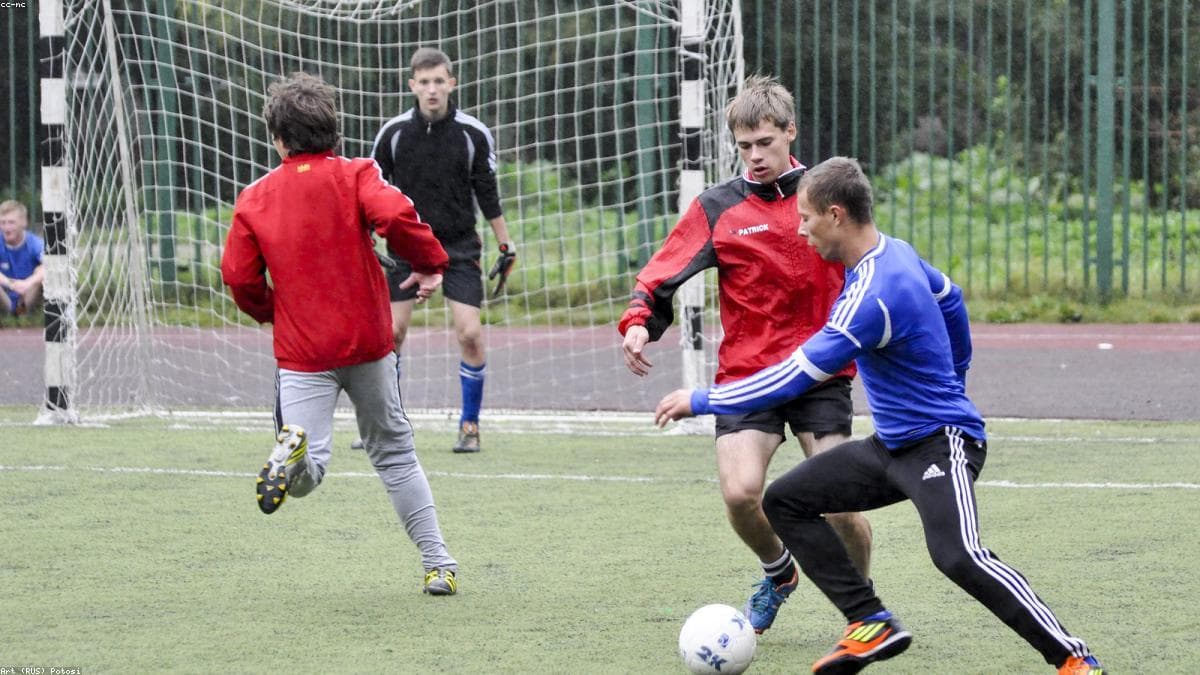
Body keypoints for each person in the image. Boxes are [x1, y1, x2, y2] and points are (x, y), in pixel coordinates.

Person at [655, 157, 1104, 674]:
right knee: (785, 501)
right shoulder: (898, 253)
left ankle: (1074, 660)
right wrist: (957, 370)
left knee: (959, 556)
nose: (799, 230)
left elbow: (793, 378)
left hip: (940, 441)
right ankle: (870, 621)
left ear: (836, 215)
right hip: (890, 446)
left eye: (806, 218)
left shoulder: (871, 295)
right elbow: (950, 298)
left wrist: (705, 399)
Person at [619, 76, 872, 634]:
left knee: (841, 507)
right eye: (745, 146)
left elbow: (872, 262)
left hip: (819, 372)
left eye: (765, 143)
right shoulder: (718, 208)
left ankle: (863, 613)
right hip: (748, 375)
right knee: (739, 494)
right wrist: (639, 323)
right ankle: (779, 572)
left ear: (790, 133)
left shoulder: (824, 197)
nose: (755, 157)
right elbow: (663, 273)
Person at [221, 72, 461, 596]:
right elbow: (396, 213)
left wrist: (271, 312)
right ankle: (437, 564)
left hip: (303, 353)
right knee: (395, 455)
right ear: (335, 131)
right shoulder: (356, 173)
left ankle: (293, 450)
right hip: (369, 343)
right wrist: (428, 264)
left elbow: (238, 276)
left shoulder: (255, 197)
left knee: (310, 474)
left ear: (278, 140)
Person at [368, 46, 515, 454]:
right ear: (412, 85)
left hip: (458, 247)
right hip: (404, 248)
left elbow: (487, 191)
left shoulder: (472, 133)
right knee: (391, 334)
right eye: (424, 82)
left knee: (469, 333)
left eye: (439, 81)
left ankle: (470, 425)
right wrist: (367, 236)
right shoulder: (393, 134)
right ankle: (384, 424)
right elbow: (371, 192)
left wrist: (505, 242)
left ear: (451, 83)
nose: (432, 90)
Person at [0, 200, 45, 318]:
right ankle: (7, 314)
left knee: (42, 269)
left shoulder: (35, 243)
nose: (6, 227)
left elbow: (50, 266)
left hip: (27, 295)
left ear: (23, 223)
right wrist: (10, 284)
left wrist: (27, 283)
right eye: (3, 223)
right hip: (4, 296)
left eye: (11, 223)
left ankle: (22, 313)